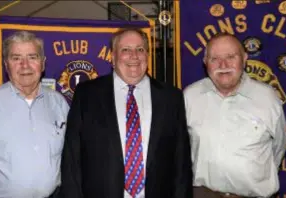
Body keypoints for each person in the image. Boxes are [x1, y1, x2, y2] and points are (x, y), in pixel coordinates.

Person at [60, 28, 192, 198]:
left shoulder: (171, 97)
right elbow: (72, 158)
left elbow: (181, 162)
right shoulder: (87, 95)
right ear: (113, 58)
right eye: (126, 50)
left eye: (140, 49)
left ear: (147, 55)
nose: (134, 56)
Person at [0, 31, 69, 198]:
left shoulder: (59, 103)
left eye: (32, 57)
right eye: (16, 58)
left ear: (43, 64)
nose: (25, 65)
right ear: (6, 64)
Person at [183, 33, 286, 198]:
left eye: (231, 56)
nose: (223, 64)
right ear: (205, 62)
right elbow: (182, 149)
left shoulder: (267, 98)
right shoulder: (190, 96)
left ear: (244, 58)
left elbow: (279, 147)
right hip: (202, 194)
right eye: (214, 58)